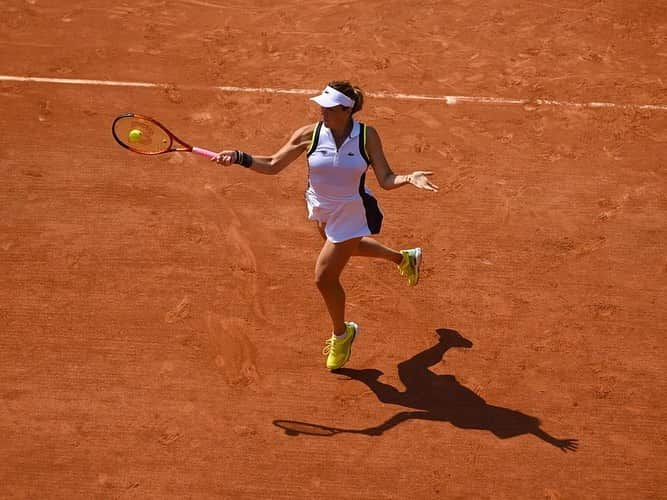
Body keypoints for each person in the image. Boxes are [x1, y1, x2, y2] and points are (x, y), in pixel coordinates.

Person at [212, 81, 438, 371]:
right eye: (322, 105)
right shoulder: (310, 134)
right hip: (320, 207)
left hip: (352, 210)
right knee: (350, 247)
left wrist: (408, 178)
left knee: (324, 277)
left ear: (346, 110)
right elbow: (272, 164)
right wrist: (239, 157)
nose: (322, 111)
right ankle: (403, 258)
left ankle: (342, 334)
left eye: (328, 107)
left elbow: (385, 178)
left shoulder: (367, 137)